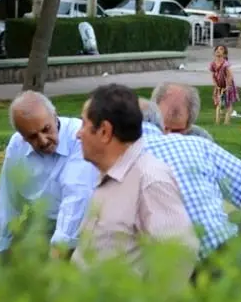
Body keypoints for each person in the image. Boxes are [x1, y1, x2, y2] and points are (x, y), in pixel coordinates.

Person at [137, 92, 241, 278]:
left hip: (173, 271)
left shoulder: (118, 158)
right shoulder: (198, 145)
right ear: (161, 124)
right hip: (227, 255)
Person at [72, 84, 199, 279]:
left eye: (84, 125)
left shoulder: (150, 179)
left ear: (105, 131)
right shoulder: (110, 175)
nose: (78, 134)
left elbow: (180, 253)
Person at [0, 91, 98, 260]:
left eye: (46, 129)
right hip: (43, 221)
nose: (43, 141)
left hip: (87, 224)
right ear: (22, 136)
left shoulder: (79, 137)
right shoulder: (17, 145)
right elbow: (7, 201)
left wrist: (58, 251)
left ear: (54, 115)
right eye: (32, 136)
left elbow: (76, 198)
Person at [210, 45, 239, 125]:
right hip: (219, 86)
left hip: (227, 86)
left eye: (221, 49)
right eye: (217, 49)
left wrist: (228, 86)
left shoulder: (225, 64)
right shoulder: (213, 64)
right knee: (218, 103)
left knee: (228, 104)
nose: (218, 50)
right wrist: (215, 85)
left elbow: (230, 76)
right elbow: (213, 75)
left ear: (225, 54)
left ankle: (226, 121)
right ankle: (217, 121)